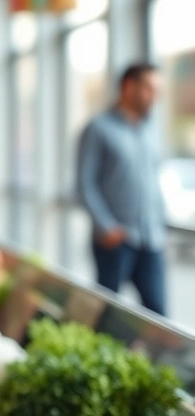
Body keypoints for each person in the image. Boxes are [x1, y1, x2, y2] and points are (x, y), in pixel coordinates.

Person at [78, 63, 167, 315]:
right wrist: (106, 227)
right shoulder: (98, 128)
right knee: (106, 312)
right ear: (128, 87)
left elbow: (152, 181)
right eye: (149, 88)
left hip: (151, 239)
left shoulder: (150, 130)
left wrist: (161, 224)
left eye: (157, 90)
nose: (155, 97)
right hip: (116, 240)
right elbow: (85, 183)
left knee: (158, 313)